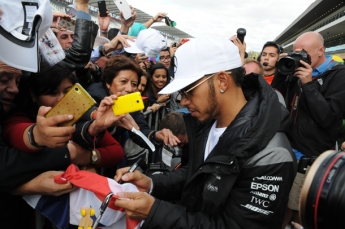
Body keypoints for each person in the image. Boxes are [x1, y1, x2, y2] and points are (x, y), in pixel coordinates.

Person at [114, 35, 296, 228]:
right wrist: (153, 184)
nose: (183, 101)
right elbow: (199, 174)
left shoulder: (272, 154)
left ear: (222, 81)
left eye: (188, 91)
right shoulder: (208, 122)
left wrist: (156, 212)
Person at [271, 31, 345, 227]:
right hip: (286, 149)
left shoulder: (339, 75)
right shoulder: (297, 69)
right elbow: (275, 97)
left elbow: (328, 118)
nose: (299, 56)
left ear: (321, 50)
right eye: (295, 52)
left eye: (304, 52)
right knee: (278, 202)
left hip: (310, 156)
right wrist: (282, 69)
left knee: (296, 208)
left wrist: (308, 84)